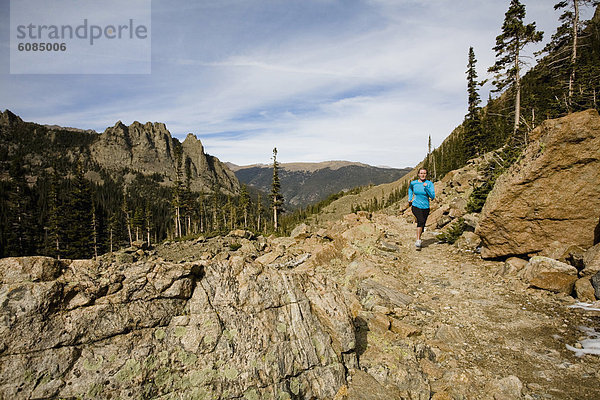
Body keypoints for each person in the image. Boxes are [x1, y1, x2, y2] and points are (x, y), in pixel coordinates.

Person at [408, 168, 435, 250]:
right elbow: (410, 189)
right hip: (416, 206)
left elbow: (432, 197)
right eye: (421, 173)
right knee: (421, 220)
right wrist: (410, 198)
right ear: (418, 174)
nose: (423, 175)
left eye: (424, 173)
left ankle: (420, 232)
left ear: (426, 174)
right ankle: (418, 240)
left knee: (422, 223)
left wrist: (426, 188)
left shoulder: (429, 183)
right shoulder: (414, 183)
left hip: (426, 207)